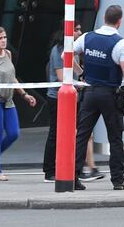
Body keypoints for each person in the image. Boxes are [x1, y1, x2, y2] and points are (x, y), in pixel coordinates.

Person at [73, 5, 124, 190]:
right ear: (120, 21)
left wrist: (81, 74)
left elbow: (67, 54)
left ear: (104, 17)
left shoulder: (87, 37)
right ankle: (118, 181)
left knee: (82, 135)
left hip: (89, 93)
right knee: (115, 138)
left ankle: (74, 177)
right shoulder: (121, 44)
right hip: (110, 94)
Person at [43, 21, 105, 183]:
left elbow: (76, 68)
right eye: (76, 29)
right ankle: (49, 171)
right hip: (58, 98)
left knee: (82, 132)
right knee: (56, 134)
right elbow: (61, 77)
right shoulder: (59, 51)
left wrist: (84, 76)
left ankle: (84, 167)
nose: (79, 32)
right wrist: (80, 84)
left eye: (79, 29)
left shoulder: (73, 50)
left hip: (73, 97)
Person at [0, 26, 36, 181]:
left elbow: (12, 78)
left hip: (8, 100)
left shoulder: (8, 54)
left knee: (13, 133)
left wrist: (25, 94)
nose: (4, 41)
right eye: (0, 38)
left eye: (5, 37)